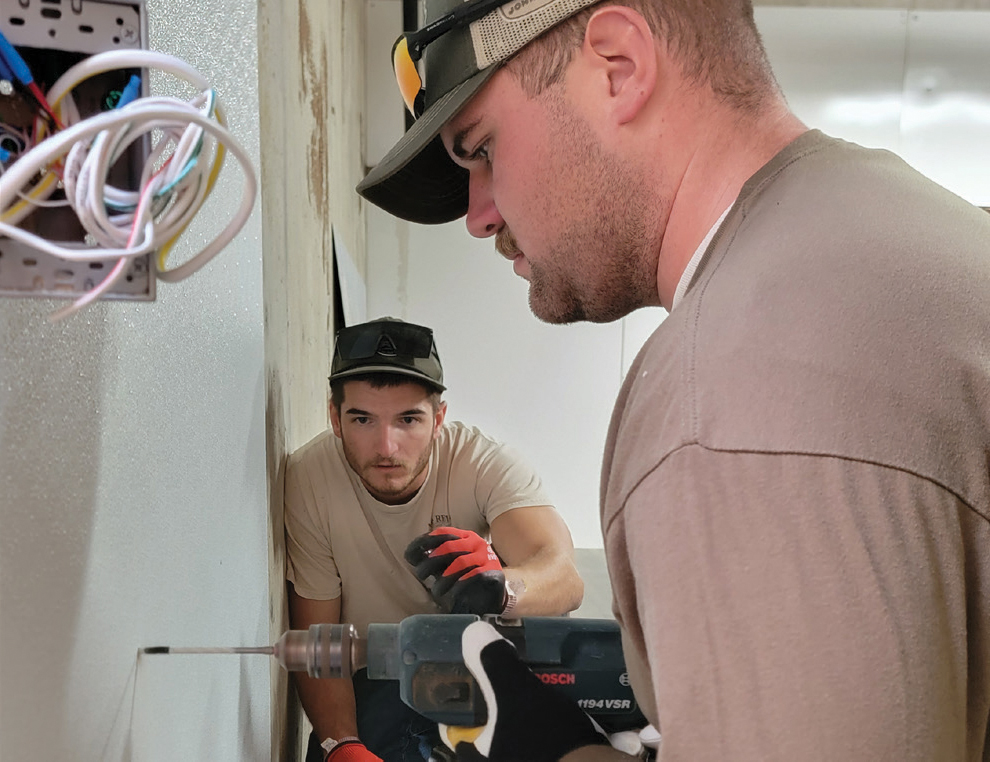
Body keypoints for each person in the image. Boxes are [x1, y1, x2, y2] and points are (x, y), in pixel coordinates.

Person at [356, 1, 990, 760]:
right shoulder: (907, 229)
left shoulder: (729, 396)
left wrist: (554, 753)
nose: (480, 216)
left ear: (618, 65)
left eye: (483, 148)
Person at [284, 316, 584, 762]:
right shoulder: (310, 477)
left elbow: (564, 577)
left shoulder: (481, 462)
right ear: (335, 417)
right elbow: (317, 636)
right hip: (372, 686)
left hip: (476, 671)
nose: (386, 446)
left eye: (408, 419)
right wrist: (339, 742)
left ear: (439, 417)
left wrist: (504, 587)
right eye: (362, 419)